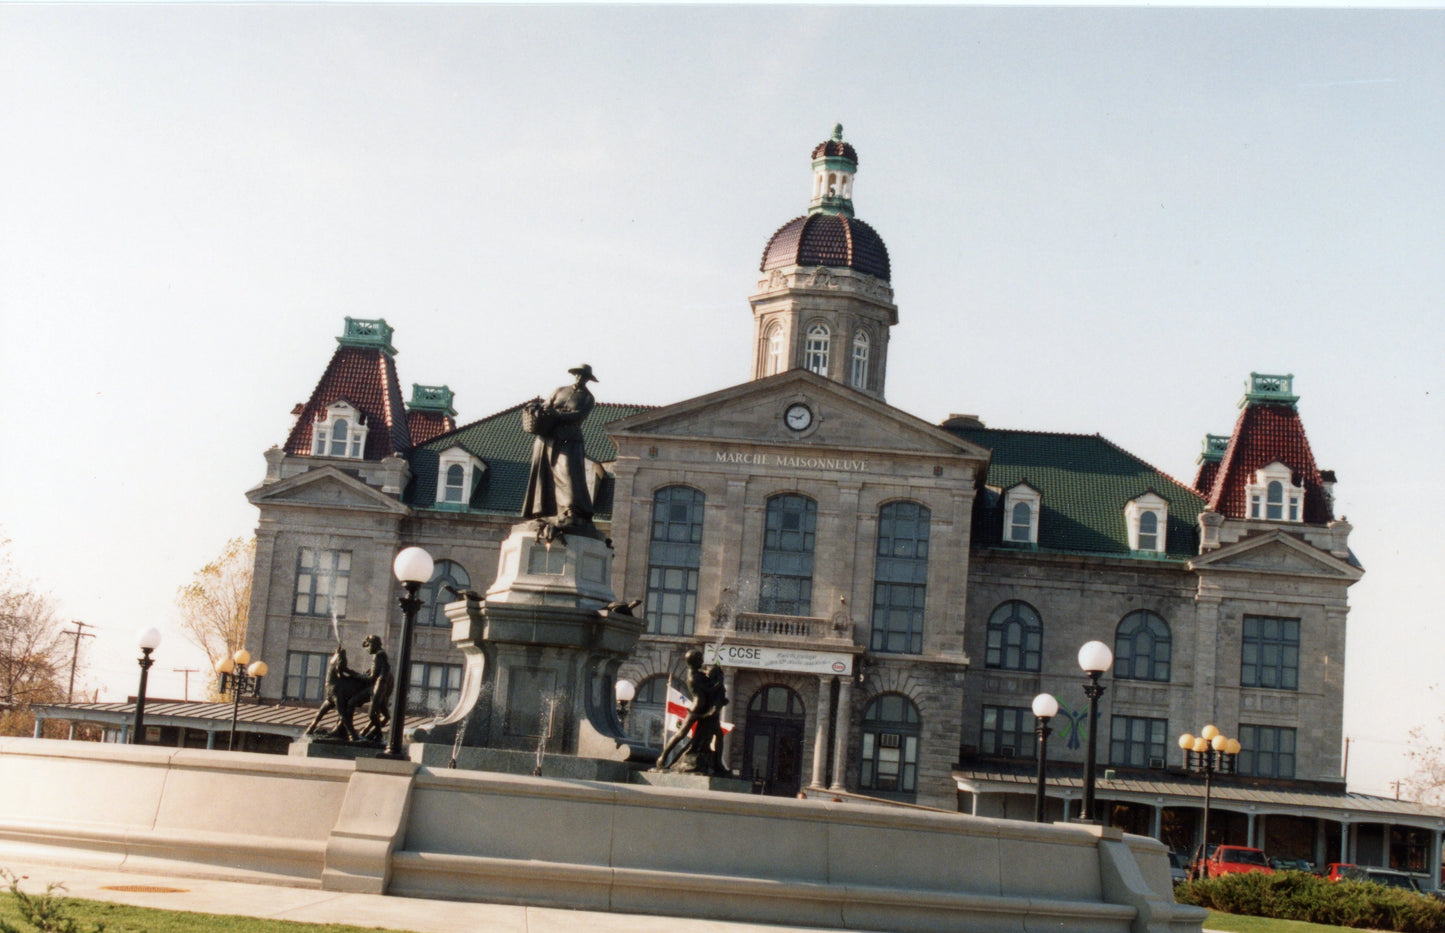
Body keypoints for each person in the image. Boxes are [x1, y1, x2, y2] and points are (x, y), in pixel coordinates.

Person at [521, 364, 598, 534]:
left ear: (587, 379)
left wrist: (558, 415)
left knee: (568, 473)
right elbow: (547, 405)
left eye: (583, 376)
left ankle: (572, 509)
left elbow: (578, 416)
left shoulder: (588, 398)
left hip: (569, 438)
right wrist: (539, 409)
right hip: (547, 436)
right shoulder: (560, 390)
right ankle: (542, 509)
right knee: (543, 472)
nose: (580, 378)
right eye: (578, 375)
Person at [654, 649, 729, 775]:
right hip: (697, 709)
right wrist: (719, 682)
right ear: (694, 661)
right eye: (700, 659)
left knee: (719, 734)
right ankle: (662, 758)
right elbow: (709, 689)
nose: (702, 661)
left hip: (705, 708)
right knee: (681, 734)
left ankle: (718, 763)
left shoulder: (697, 673)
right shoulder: (692, 676)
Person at [359, 634, 393, 740]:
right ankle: (371, 733)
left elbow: (373, 676)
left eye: (368, 646)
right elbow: (376, 670)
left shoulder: (379, 655)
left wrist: (355, 676)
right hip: (381, 686)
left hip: (379, 686)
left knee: (372, 714)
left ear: (373, 644)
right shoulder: (381, 654)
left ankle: (378, 734)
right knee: (382, 713)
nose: (367, 649)